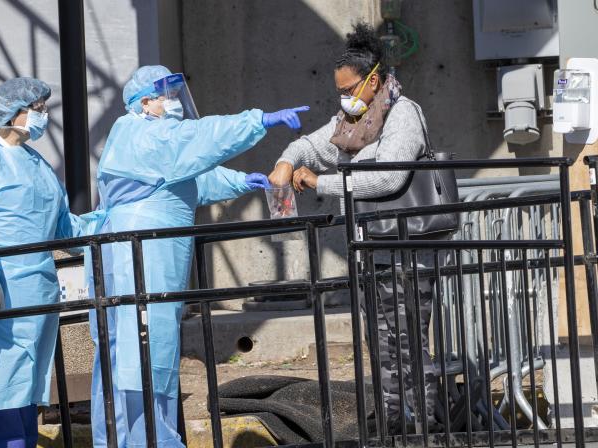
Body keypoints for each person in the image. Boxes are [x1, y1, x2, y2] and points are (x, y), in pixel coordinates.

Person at [85, 65, 308, 448]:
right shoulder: (137, 133)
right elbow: (198, 140)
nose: (173, 103)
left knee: (156, 349)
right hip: (139, 255)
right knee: (139, 350)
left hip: (159, 256)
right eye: (165, 95)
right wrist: (257, 121)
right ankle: (138, 439)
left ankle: (152, 436)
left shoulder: (156, 145)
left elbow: (192, 177)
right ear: (143, 102)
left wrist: (241, 180)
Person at [268, 23, 441, 434]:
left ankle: (425, 426)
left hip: (406, 247)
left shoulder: (403, 115)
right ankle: (394, 423)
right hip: (372, 248)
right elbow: (313, 144)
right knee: (382, 345)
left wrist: (320, 183)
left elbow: (389, 178)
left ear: (374, 80)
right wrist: (287, 161)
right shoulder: (353, 125)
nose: (345, 99)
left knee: (406, 343)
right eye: (340, 92)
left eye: (350, 89)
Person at [0, 77, 82, 448]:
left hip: (37, 291)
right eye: (38, 109)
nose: (44, 115)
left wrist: (116, 224)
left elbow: (65, 226)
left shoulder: (38, 164)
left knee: (28, 380)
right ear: (13, 113)